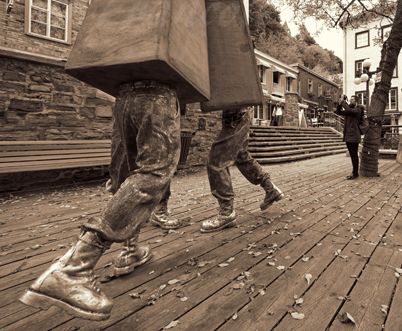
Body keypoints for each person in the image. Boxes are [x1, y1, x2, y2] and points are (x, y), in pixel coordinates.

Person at [19, 80, 181, 321]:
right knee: (154, 172)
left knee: (125, 174)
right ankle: (73, 269)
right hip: (159, 90)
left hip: (124, 94)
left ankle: (130, 251)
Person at [201, 107, 285, 233]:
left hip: (236, 112)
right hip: (240, 112)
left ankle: (226, 213)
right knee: (241, 156)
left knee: (217, 160)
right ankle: (270, 189)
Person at [336, 95, 363, 180]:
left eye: (352, 100)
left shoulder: (358, 109)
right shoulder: (350, 110)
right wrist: (340, 103)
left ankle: (355, 173)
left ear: (356, 101)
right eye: (350, 99)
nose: (351, 101)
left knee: (354, 155)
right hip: (348, 135)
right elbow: (338, 112)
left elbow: (348, 110)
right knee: (352, 154)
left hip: (354, 135)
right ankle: (354, 172)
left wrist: (344, 102)